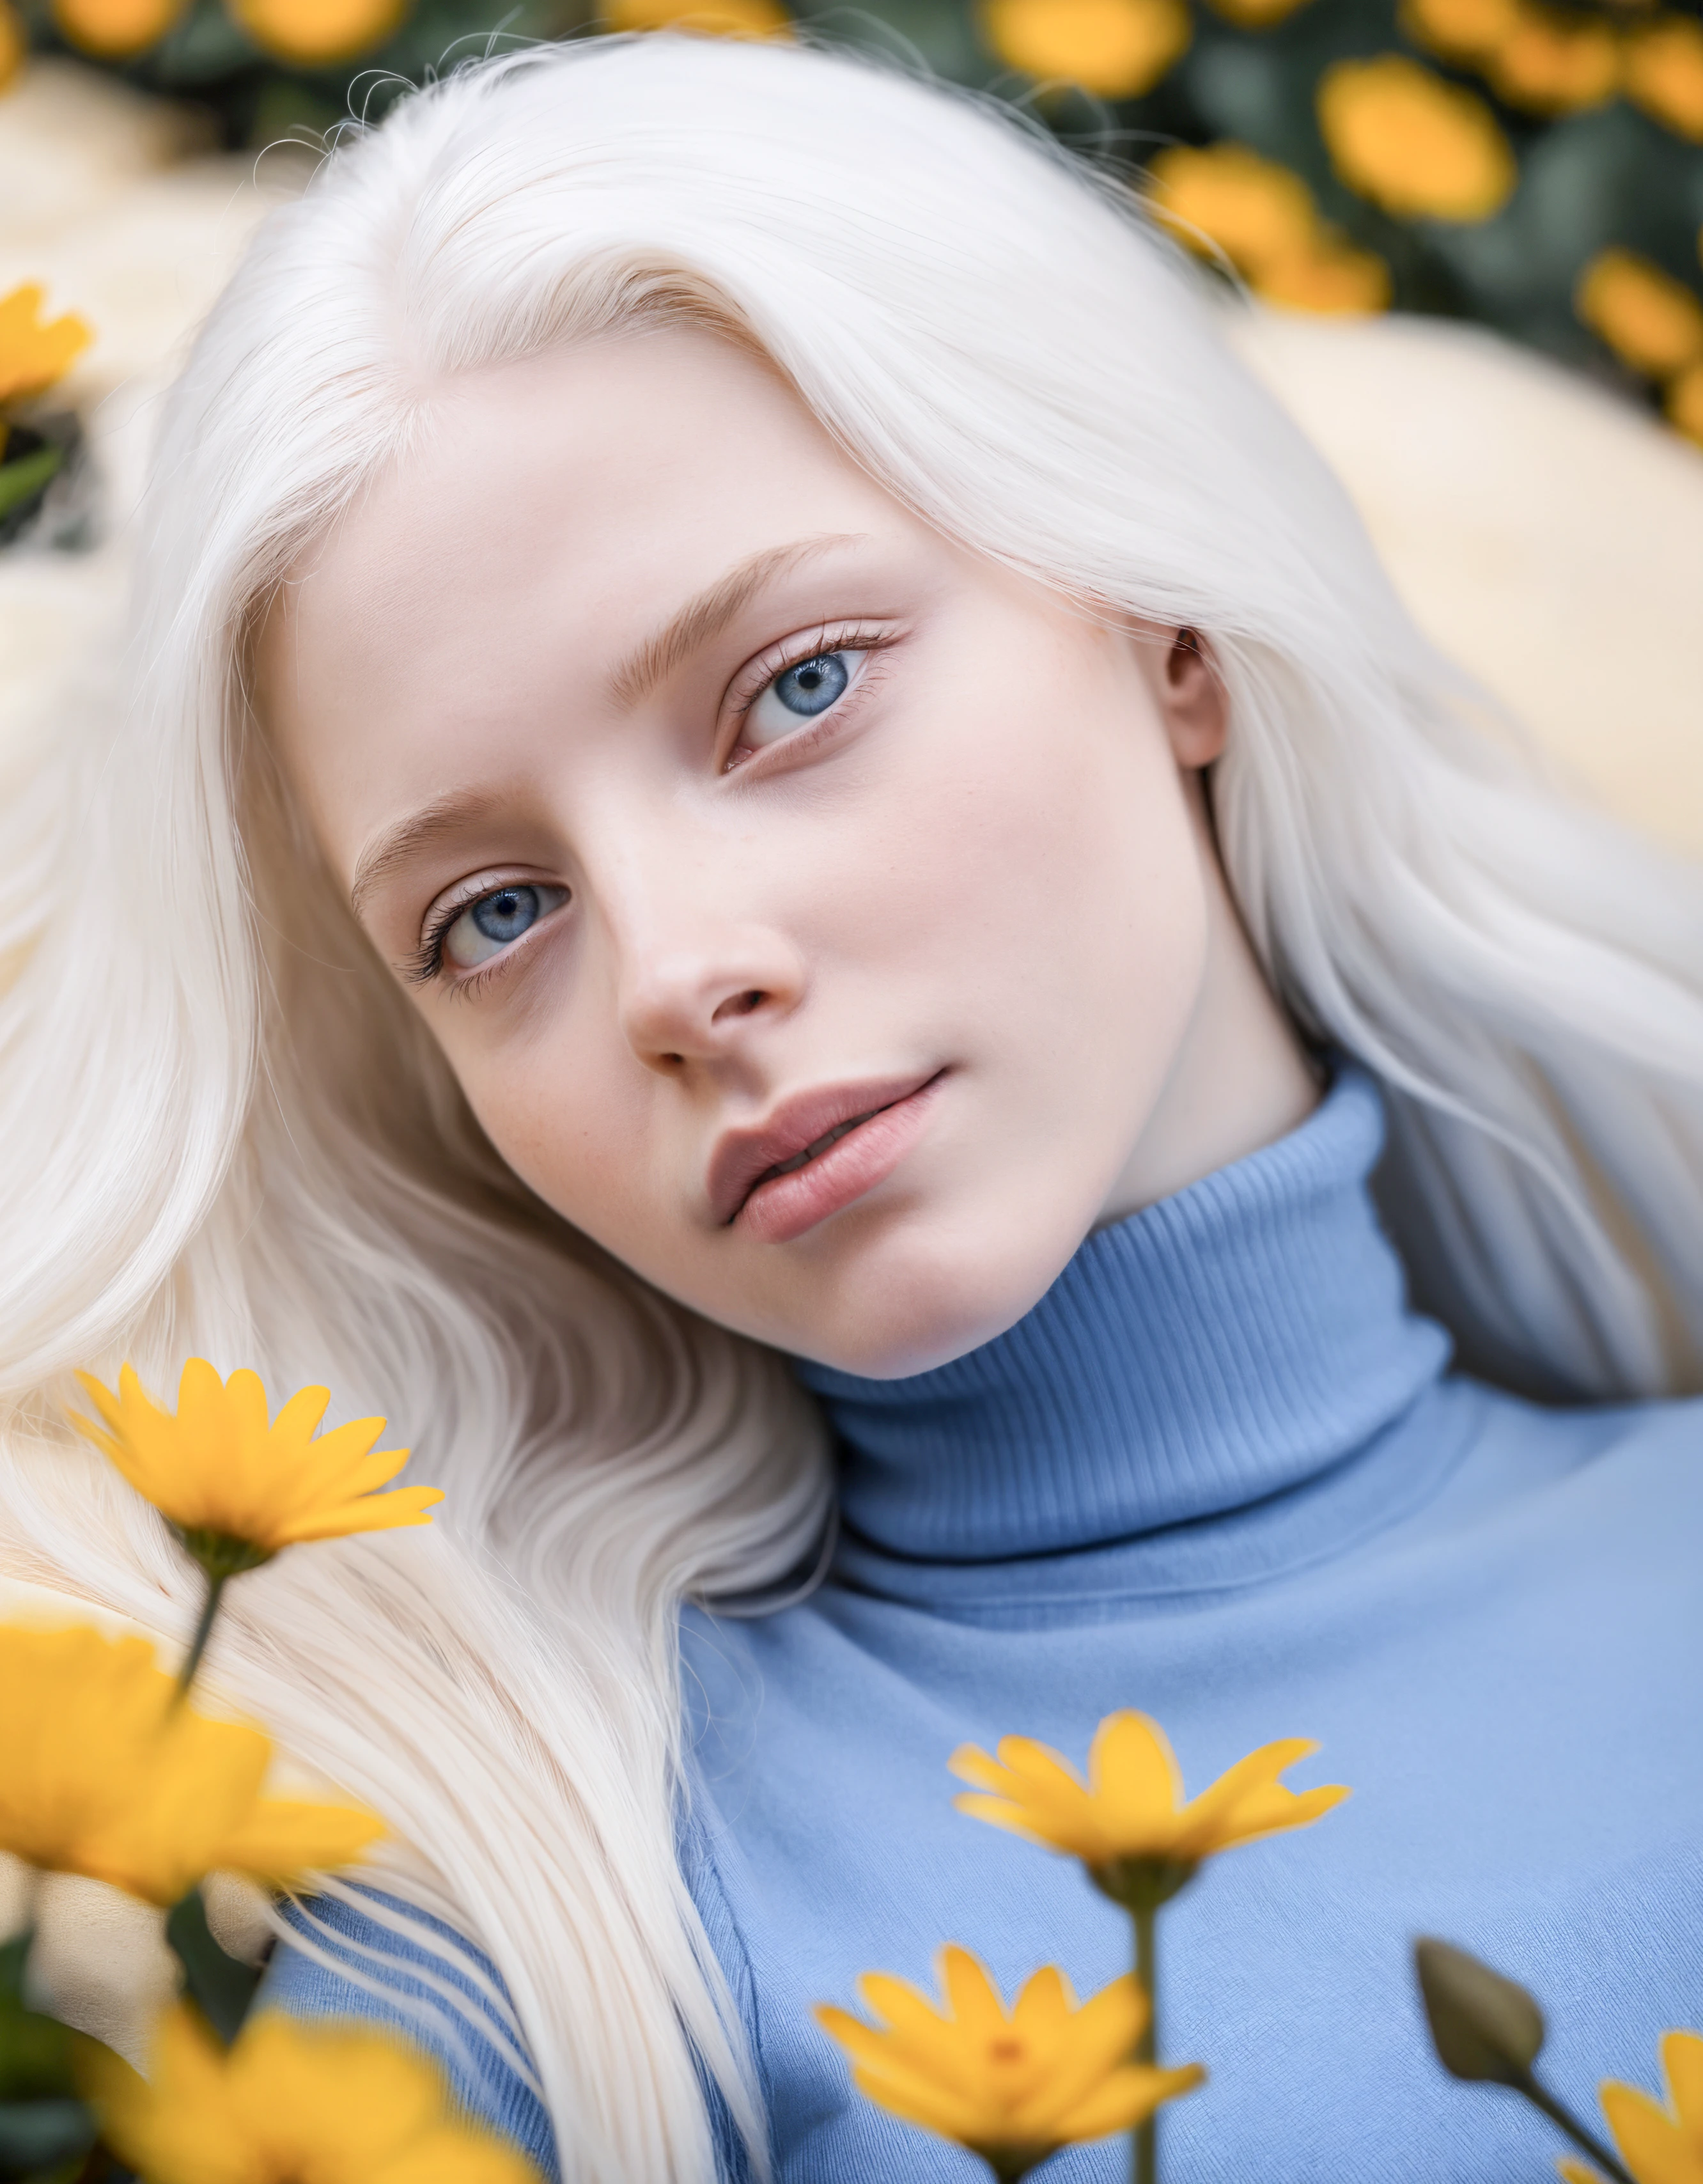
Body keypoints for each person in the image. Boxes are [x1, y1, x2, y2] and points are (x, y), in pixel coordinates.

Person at [3, 31, 1700, 2182]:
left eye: (795, 689)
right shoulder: (551, 1942)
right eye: (495, 911)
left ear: (1162, 614)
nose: (682, 975)